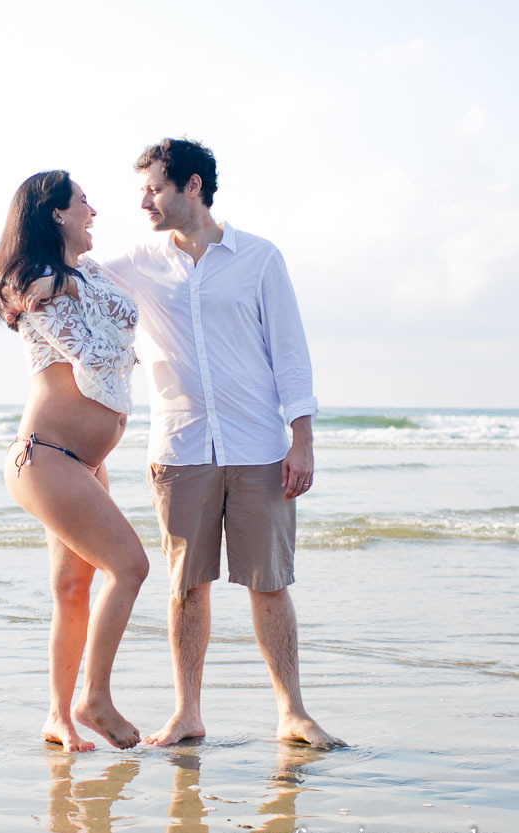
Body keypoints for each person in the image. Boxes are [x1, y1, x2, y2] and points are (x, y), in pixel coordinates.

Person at [103, 138, 344, 750]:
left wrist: (302, 441)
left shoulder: (260, 259)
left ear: (192, 186)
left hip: (259, 446)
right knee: (186, 587)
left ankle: (291, 712)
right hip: (179, 449)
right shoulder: (137, 261)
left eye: (154, 188)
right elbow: (74, 290)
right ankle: (187, 713)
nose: (144, 201)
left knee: (269, 582)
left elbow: (290, 354)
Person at [0, 171, 148, 752]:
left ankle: (57, 715)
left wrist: (90, 301)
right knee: (130, 567)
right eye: (83, 202)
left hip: (81, 463)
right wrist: (100, 319)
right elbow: (94, 353)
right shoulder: (38, 282)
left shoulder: (87, 275)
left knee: (73, 587)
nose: (94, 211)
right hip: (46, 458)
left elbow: (121, 325)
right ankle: (94, 699)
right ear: (55, 213)